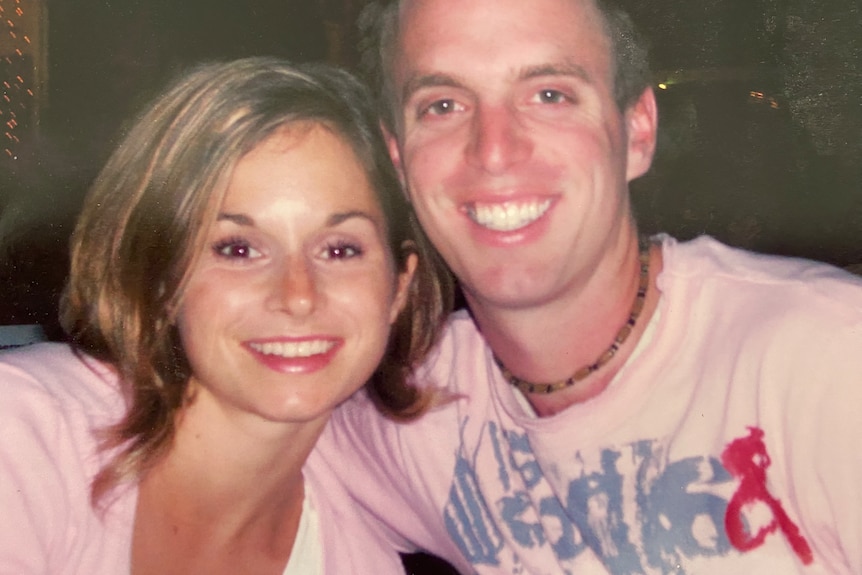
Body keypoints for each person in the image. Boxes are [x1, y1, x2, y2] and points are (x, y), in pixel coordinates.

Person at [316, 0, 862, 573]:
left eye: (550, 95)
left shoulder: (826, 363)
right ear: (399, 161)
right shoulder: (407, 417)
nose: (495, 151)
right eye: (443, 105)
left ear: (638, 129)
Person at [0, 57, 451, 574]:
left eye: (340, 249)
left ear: (399, 286)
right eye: (238, 249)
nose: (298, 296)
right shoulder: (24, 441)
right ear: (164, 279)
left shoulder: (357, 557)